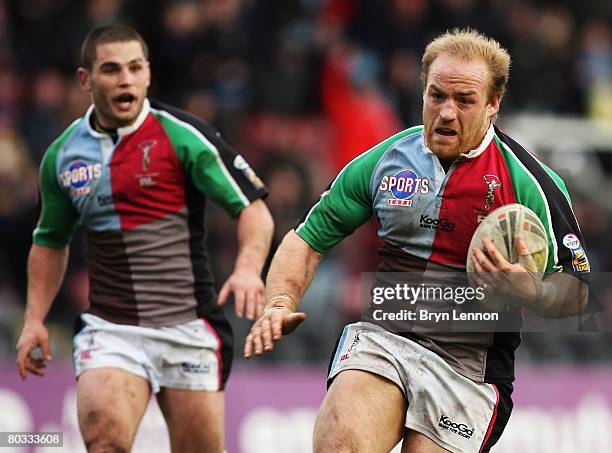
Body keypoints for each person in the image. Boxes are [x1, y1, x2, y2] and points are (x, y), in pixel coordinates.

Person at [244, 29, 590, 453]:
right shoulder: (385, 161)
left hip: (470, 367)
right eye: (436, 96)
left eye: (464, 100)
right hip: (385, 337)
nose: (446, 112)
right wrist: (279, 301)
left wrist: (531, 290)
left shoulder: (530, 183)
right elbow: (306, 239)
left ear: (493, 104)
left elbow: (579, 292)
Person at [16, 25, 273, 453]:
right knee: (105, 438)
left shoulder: (183, 136)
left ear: (148, 74)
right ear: (86, 80)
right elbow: (50, 241)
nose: (125, 80)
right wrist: (33, 319)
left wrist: (247, 269)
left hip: (187, 326)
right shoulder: (62, 156)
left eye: (135, 68)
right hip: (111, 329)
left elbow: (253, 210)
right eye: (111, 69)